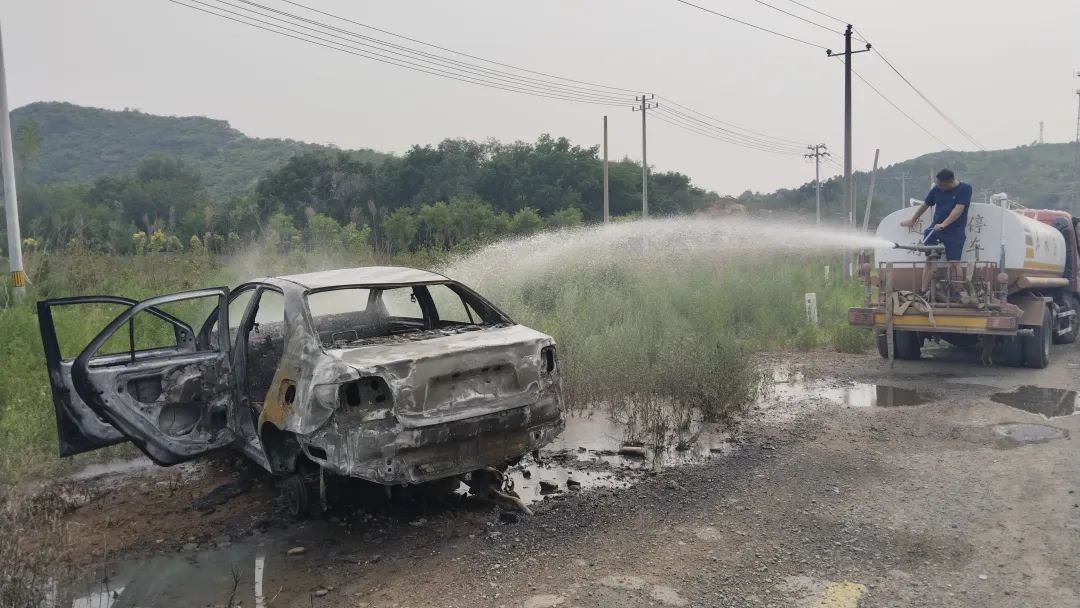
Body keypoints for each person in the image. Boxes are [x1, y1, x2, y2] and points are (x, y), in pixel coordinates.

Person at [900, 169, 973, 292]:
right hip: (935, 229)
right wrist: (913, 220)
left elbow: (958, 210)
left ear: (950, 181)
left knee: (954, 263)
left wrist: (944, 224)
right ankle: (923, 290)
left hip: (955, 231)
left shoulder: (965, 189)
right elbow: (926, 204)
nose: (939, 187)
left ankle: (957, 292)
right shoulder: (936, 189)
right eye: (938, 184)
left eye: (941, 185)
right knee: (930, 260)